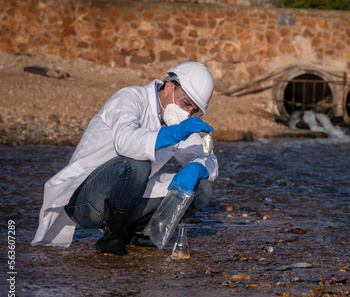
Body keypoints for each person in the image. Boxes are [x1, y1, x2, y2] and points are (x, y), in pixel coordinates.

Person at [31, 61, 218, 255]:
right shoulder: (130, 98)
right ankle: (112, 239)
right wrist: (171, 134)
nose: (188, 112)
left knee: (201, 188)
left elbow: (208, 158)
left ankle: (135, 233)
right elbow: (125, 142)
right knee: (136, 164)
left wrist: (196, 168)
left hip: (126, 197)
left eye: (194, 110)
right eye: (186, 103)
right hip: (85, 201)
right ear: (169, 86)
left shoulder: (180, 122)